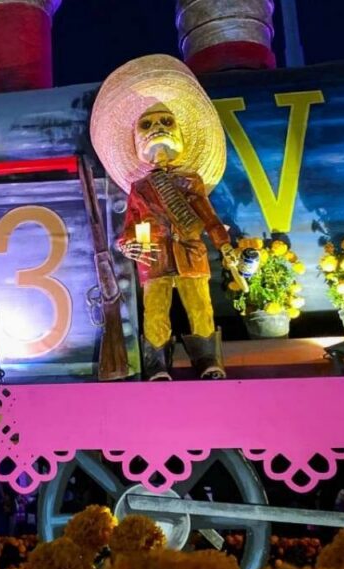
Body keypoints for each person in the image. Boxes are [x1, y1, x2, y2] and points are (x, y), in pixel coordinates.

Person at [90, 54, 238, 380]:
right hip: (153, 255)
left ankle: (208, 360)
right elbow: (130, 226)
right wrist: (127, 244)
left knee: (200, 306)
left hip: (190, 251)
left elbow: (209, 217)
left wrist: (224, 244)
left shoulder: (191, 182)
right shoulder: (140, 188)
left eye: (165, 122)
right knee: (155, 310)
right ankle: (157, 363)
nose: (157, 129)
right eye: (147, 124)